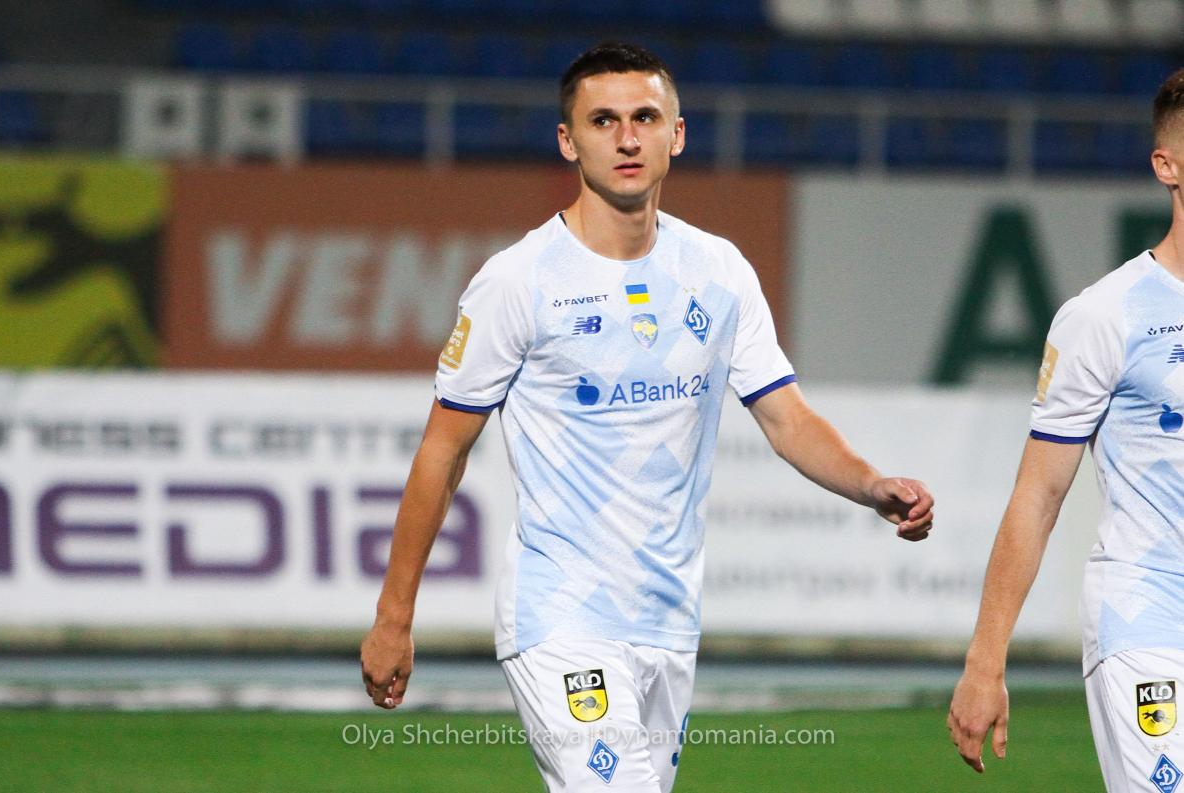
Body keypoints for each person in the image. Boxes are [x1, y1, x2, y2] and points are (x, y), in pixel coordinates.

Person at [361, 41, 935, 792]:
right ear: (568, 141)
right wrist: (394, 615)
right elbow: (443, 451)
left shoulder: (718, 271)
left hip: (668, 620)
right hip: (561, 613)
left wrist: (869, 484)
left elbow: (787, 418)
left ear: (678, 134)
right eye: (603, 121)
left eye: (645, 118)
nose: (627, 138)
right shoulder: (518, 282)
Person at [948, 67, 1184, 791]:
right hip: (1147, 617)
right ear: (1167, 166)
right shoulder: (1106, 315)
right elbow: (1039, 495)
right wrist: (984, 662)